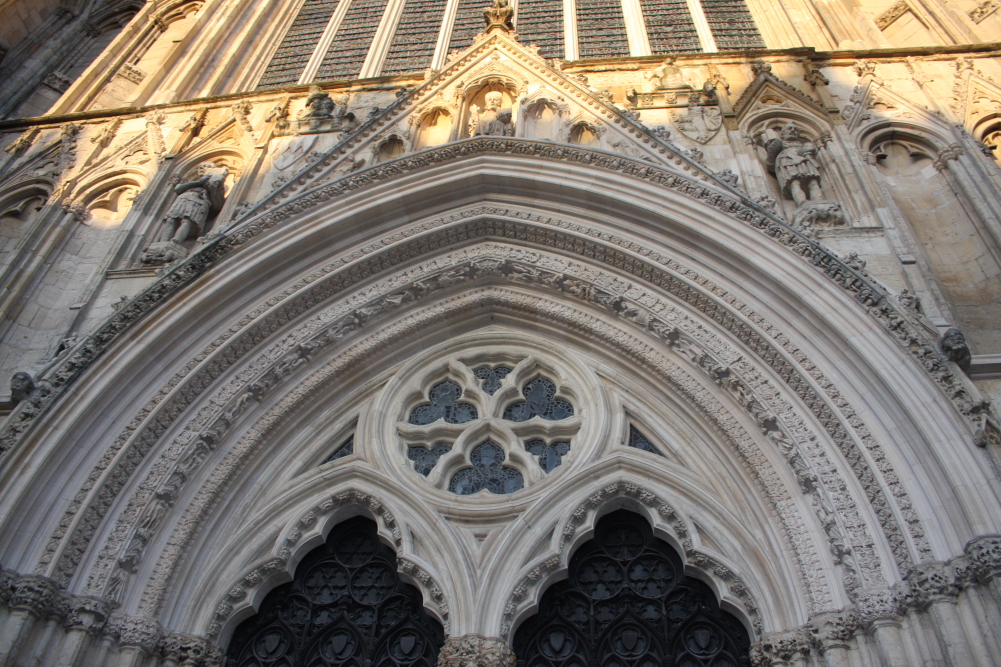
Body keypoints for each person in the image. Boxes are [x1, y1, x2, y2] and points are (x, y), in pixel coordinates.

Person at [160, 162, 227, 244]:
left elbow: (217, 205)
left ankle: (176, 241)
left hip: (198, 202)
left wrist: (213, 188)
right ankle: (163, 242)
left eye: (205, 167)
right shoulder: (194, 183)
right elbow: (178, 188)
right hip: (183, 199)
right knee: (170, 219)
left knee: (187, 221)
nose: (201, 169)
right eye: (201, 167)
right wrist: (199, 182)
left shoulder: (215, 184)